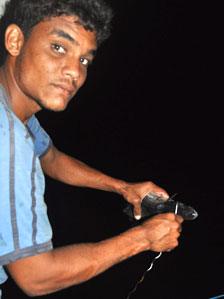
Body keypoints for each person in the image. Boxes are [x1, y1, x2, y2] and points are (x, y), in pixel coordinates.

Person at [0, 0, 183, 297]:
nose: (74, 72)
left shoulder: (15, 110)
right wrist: (144, 238)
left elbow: (51, 157)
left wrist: (123, 188)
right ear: (15, 40)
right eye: (58, 47)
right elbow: (36, 277)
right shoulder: (7, 139)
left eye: (84, 60)